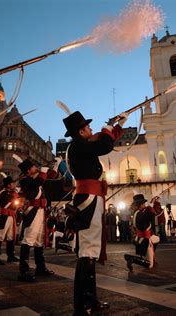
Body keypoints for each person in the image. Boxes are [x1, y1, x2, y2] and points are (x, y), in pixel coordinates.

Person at [62, 110, 126, 315]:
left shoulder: (80, 145)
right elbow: (105, 145)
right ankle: (83, 304)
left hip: (91, 197)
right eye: (88, 127)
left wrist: (116, 126)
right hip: (89, 198)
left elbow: (102, 140)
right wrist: (109, 129)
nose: (91, 129)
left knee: (90, 251)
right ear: (81, 131)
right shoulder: (79, 145)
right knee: (88, 251)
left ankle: (90, 299)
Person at [17, 158, 55, 282]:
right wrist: (43, 172)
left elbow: (47, 180)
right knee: (28, 239)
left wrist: (55, 166)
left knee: (39, 239)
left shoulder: (35, 179)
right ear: (29, 170)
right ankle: (24, 271)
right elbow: (35, 187)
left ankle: (40, 267)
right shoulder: (25, 180)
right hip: (32, 211)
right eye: (33, 167)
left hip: (40, 211)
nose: (36, 168)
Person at [124, 194, 159, 271]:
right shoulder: (140, 213)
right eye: (143, 203)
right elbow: (149, 216)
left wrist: (150, 206)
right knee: (150, 265)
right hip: (144, 238)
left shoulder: (137, 212)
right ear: (140, 205)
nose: (145, 205)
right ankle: (131, 259)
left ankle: (149, 256)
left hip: (140, 238)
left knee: (156, 239)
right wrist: (151, 206)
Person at [0, 176, 20, 264]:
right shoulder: (3, 193)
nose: (14, 184)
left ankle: (10, 255)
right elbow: (8, 201)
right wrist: (15, 194)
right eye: (13, 183)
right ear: (8, 185)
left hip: (11, 216)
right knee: (0, 236)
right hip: (4, 216)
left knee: (11, 237)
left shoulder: (12, 193)